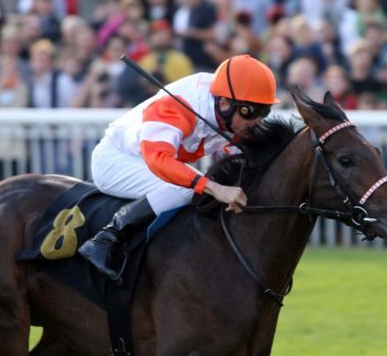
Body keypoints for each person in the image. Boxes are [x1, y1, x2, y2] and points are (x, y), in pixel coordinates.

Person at [78, 54, 280, 279]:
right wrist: (216, 188)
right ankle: (106, 238)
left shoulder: (229, 107)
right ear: (224, 104)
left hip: (146, 162)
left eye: (264, 112)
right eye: (250, 112)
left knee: (199, 185)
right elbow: (159, 160)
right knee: (188, 186)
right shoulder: (179, 105)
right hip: (116, 161)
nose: (257, 121)